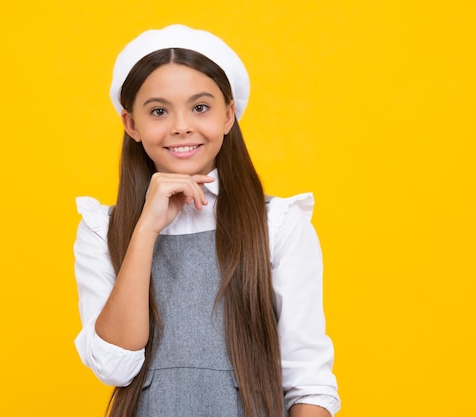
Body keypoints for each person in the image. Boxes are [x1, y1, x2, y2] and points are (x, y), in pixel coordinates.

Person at [73, 24, 340, 417]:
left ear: (229, 115)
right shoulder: (101, 230)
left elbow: (308, 384)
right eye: (159, 111)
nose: (181, 125)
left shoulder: (278, 224)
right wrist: (146, 227)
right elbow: (114, 366)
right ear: (131, 125)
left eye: (200, 107)